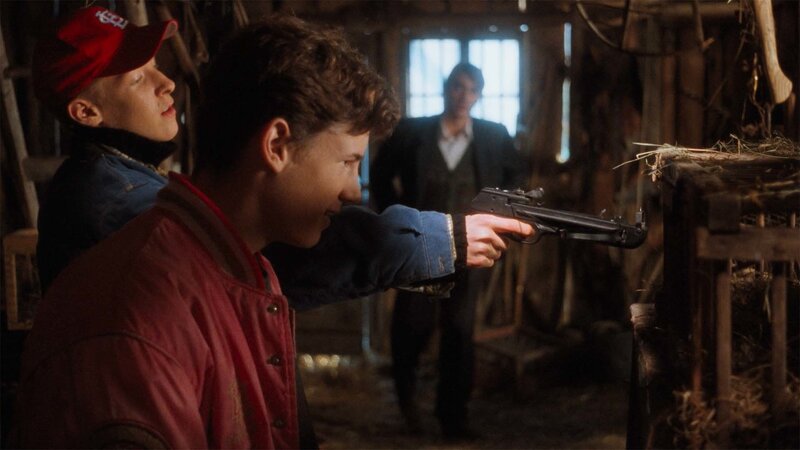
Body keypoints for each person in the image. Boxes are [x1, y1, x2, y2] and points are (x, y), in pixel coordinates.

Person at [10, 13, 533, 449]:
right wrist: (437, 238)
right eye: (347, 162)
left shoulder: (200, 231)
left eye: (155, 67)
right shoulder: (122, 225)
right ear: (276, 144)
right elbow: (299, 260)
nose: (166, 82)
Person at [371, 62, 528, 439]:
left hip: (469, 249)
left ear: (479, 95)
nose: (463, 96)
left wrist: (498, 219)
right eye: (458, 87)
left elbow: (517, 177)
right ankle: (407, 404)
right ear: (446, 89)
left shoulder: (493, 135)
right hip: (418, 245)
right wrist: (396, 220)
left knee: (459, 331)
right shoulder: (412, 132)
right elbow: (379, 175)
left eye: (472, 90)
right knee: (412, 326)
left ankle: (453, 417)